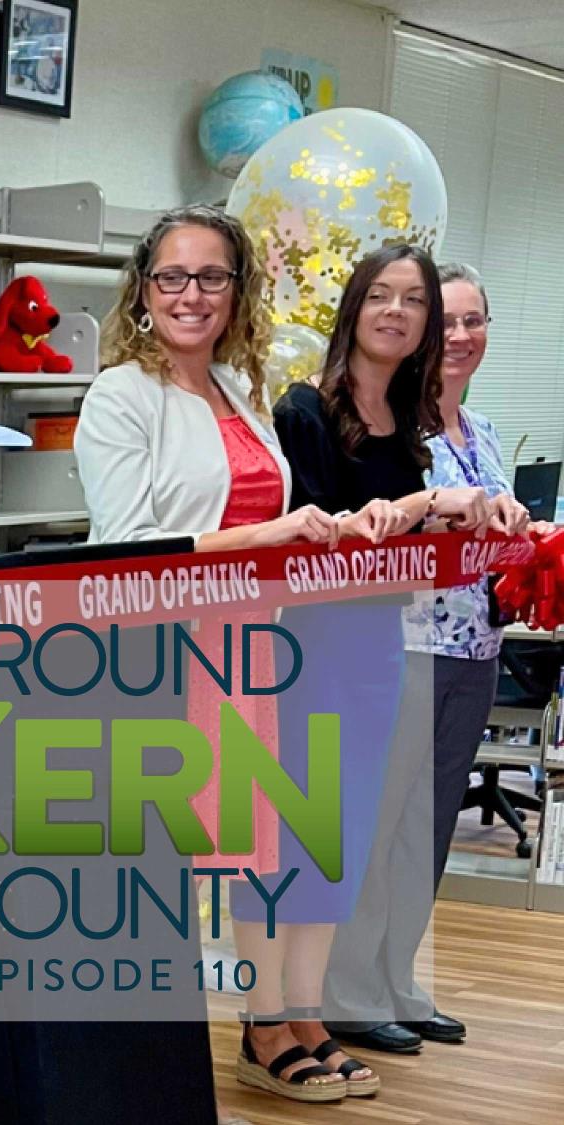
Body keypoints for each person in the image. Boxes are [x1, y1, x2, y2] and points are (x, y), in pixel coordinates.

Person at [76, 204, 347, 1108]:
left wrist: (345, 528)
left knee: (250, 850)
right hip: (161, 655)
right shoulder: (121, 393)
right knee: (171, 861)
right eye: (171, 278)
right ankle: (150, 1057)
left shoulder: (240, 387)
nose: (191, 295)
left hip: (248, 645)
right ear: (143, 292)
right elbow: (125, 548)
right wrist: (271, 533)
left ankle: (259, 1023)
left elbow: (269, 521)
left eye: (212, 277)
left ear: (239, 291)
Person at [256, 244, 495, 1083]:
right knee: (293, 831)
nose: (397, 312)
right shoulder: (303, 411)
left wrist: (467, 526)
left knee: (345, 838)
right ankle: (266, 1020)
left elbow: (398, 552)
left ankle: (308, 1010)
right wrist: (424, 507)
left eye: (414, 301)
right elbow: (311, 536)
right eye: (382, 296)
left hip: (377, 645)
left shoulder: (409, 421)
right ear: (354, 306)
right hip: (307, 645)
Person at [332, 263, 537, 1053]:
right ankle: (348, 991)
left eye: (473, 321)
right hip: (404, 643)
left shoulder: (479, 431)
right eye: (443, 320)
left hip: (475, 647)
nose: (459, 336)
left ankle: (398, 982)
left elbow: (492, 539)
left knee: (429, 829)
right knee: (380, 826)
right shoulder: (392, 427)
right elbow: (367, 531)